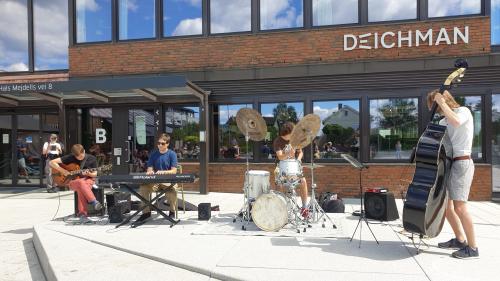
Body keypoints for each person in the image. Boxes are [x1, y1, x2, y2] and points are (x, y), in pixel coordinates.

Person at [428, 89, 478, 259]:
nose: (436, 110)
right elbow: (441, 144)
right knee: (448, 208)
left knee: (460, 207)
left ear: (444, 100)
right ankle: (460, 240)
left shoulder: (463, 111)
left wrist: (440, 102)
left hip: (462, 162)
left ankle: (473, 248)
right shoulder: (443, 121)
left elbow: (456, 122)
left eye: (435, 105)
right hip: (449, 164)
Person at [50, 144, 102, 221]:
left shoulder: (92, 158)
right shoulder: (70, 157)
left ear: (84, 151)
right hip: (72, 182)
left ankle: (82, 214)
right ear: (74, 155)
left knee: (81, 185)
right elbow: (51, 162)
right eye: (78, 157)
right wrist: (63, 171)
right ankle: (93, 201)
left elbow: (95, 174)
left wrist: (89, 174)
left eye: (81, 156)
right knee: (80, 183)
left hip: (88, 180)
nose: (80, 158)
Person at [135, 133, 178, 224]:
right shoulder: (153, 154)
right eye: (158, 143)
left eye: (162, 143)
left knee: (172, 190)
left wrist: (163, 172)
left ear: (167, 144)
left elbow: (174, 171)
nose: (159, 145)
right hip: (155, 182)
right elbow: (149, 168)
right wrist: (150, 172)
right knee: (143, 188)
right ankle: (146, 213)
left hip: (168, 181)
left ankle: (172, 212)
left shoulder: (172, 154)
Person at [273, 122, 309, 219]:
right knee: (279, 184)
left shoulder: (295, 140)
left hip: (294, 168)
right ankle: (279, 209)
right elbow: (280, 157)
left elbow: (300, 152)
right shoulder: (278, 141)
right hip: (281, 169)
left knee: (303, 181)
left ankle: (304, 208)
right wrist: (288, 153)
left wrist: (298, 159)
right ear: (287, 132)